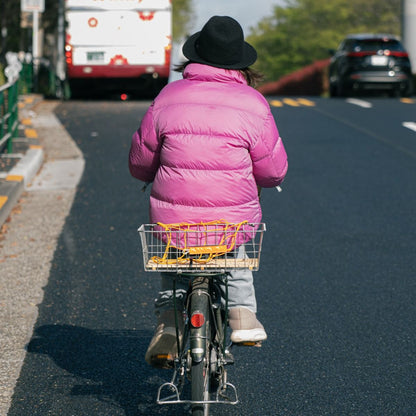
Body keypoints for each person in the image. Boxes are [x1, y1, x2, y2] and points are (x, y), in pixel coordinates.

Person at [129, 15, 288, 369]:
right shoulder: (254, 104)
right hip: (228, 223)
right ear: (241, 63)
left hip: (174, 223)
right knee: (236, 246)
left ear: (195, 57)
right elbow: (273, 170)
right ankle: (243, 314)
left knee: (172, 250)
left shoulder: (168, 97)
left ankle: (169, 324)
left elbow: (140, 162)